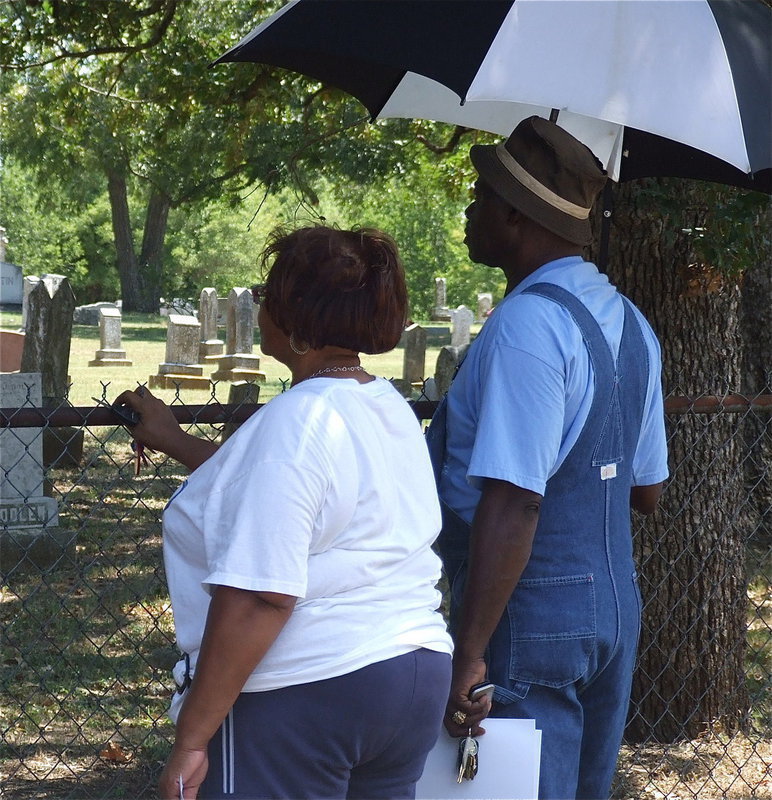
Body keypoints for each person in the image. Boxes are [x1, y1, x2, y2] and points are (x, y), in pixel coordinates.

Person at [115, 226, 453, 800]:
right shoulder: (380, 402)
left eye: (269, 294)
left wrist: (192, 738)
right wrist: (175, 439)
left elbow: (259, 595)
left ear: (297, 326)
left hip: (311, 685)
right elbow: (292, 491)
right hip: (411, 670)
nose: (261, 305)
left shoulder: (295, 424)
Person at [428, 116, 669, 800]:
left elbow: (514, 499)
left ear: (514, 214)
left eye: (480, 198)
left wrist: (470, 650)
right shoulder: (629, 322)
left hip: (527, 611)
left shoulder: (528, 326)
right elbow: (646, 491)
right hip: (612, 607)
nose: (470, 211)